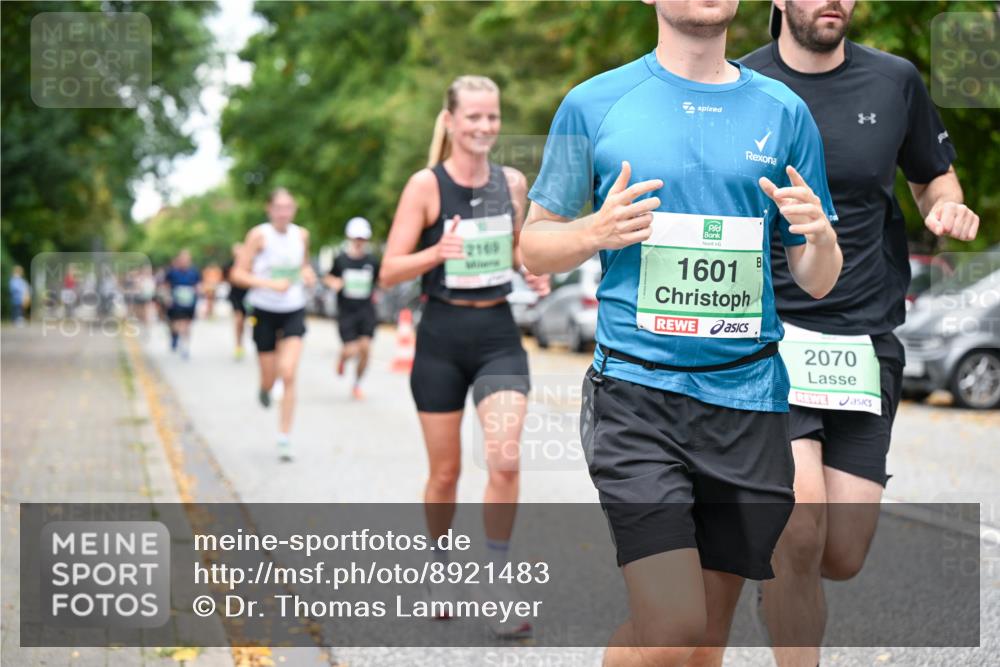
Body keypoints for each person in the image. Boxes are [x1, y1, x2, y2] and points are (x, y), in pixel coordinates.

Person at [520, 1, 843, 664]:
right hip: (636, 396)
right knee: (670, 622)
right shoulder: (595, 102)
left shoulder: (783, 111)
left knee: (704, 635)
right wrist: (592, 232)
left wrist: (821, 237)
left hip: (747, 400)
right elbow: (533, 245)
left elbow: (817, 277)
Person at [739, 2, 981, 664]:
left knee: (839, 553)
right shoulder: (741, 86)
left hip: (863, 342)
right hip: (771, 340)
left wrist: (947, 205)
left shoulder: (894, 80)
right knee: (800, 523)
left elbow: (933, 177)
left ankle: (783, 587)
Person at [380, 75, 549, 639]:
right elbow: (389, 270)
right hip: (441, 337)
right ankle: (439, 568)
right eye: (472, 117)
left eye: (492, 118)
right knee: (446, 472)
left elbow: (520, 245)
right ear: (450, 121)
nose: (483, 127)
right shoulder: (425, 186)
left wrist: (535, 268)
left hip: (497, 332)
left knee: (503, 459)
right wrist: (437, 250)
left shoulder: (512, 182)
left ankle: (497, 579)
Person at [230, 188, 316, 461]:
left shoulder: (301, 235)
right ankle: (265, 388)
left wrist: (307, 274)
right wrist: (269, 284)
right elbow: (237, 274)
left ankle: (284, 437)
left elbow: (303, 266)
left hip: (293, 309)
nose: (283, 213)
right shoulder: (259, 235)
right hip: (264, 309)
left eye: (288, 207)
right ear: (269, 209)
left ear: (294, 210)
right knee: (271, 376)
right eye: (278, 207)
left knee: (288, 372)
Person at [325, 217, 380, 400]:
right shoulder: (341, 260)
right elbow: (328, 277)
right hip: (346, 311)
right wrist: (335, 283)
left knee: (365, 349)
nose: (359, 242)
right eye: (356, 238)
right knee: (352, 349)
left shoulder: (372, 261)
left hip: (366, 310)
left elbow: (381, 281)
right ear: (349, 238)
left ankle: (357, 384)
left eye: (362, 239)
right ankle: (342, 358)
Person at [164, 250, 201, 359]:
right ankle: (175, 336)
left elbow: (198, 285)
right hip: (176, 301)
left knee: (187, 324)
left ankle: (185, 345)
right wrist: (167, 297)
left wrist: (198, 294)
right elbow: (166, 285)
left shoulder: (194, 272)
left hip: (190, 302)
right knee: (176, 323)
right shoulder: (172, 272)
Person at [224, 243, 250, 361]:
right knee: (239, 320)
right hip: (236, 296)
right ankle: (238, 345)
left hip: (250, 296)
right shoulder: (230, 265)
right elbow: (229, 279)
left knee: (252, 321)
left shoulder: (251, 264)